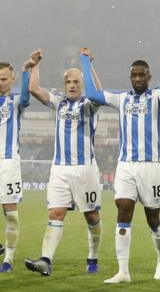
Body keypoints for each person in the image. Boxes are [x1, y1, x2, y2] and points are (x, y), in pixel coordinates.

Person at [81, 47, 160, 284]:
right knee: (123, 211)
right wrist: (86, 61)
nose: (137, 79)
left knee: (153, 219)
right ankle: (123, 271)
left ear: (148, 77)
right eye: (133, 75)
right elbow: (93, 94)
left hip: (151, 166)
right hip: (126, 165)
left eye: (141, 75)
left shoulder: (157, 97)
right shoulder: (121, 98)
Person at [24, 49, 104, 277]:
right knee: (56, 214)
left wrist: (88, 66)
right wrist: (36, 64)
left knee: (91, 216)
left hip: (85, 170)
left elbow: (98, 91)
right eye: (68, 81)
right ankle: (46, 260)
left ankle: (93, 258)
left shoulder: (91, 104)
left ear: (82, 84)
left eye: (76, 81)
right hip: (59, 169)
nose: (71, 85)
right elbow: (33, 89)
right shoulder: (58, 103)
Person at [0, 57, 32, 273]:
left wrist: (26, 71)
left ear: (11, 79)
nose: (0, 82)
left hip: (9, 162)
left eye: (3, 78)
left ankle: (8, 259)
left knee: (10, 211)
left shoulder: (16, 101)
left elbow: (28, 96)